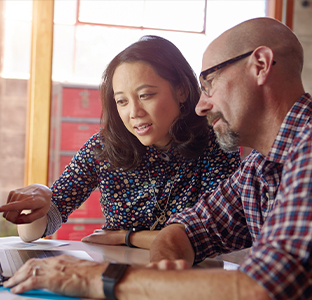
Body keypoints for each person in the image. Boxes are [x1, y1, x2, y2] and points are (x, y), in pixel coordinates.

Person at [4, 16, 312, 300]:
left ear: (261, 65)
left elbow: (268, 287)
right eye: (122, 101)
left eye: (208, 83)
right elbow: (191, 229)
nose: (202, 105)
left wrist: (101, 277)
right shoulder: (259, 168)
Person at [0, 36, 240, 248]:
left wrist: (127, 237)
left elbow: (214, 234)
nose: (134, 112)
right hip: (118, 277)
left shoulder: (216, 143)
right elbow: (36, 232)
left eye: (145, 95)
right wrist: (40, 201)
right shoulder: (104, 147)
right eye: (122, 101)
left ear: (182, 91)